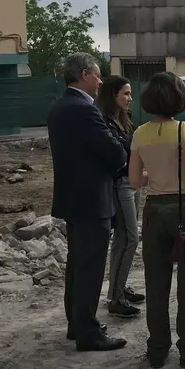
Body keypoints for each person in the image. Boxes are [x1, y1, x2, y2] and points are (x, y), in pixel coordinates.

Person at [128, 72, 185, 369]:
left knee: (156, 281)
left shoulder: (139, 134)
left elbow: (135, 180)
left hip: (154, 211)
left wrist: (158, 174)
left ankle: (157, 349)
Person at [47, 53, 128, 352]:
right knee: (91, 267)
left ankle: (76, 323)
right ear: (84, 75)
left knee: (77, 265)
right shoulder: (85, 110)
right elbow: (115, 154)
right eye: (96, 75)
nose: (100, 80)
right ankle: (88, 332)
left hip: (72, 198)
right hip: (92, 200)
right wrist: (120, 145)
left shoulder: (59, 108)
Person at [96, 76, 144, 319]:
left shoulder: (122, 120)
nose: (129, 98)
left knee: (124, 239)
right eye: (125, 93)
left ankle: (118, 288)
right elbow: (117, 155)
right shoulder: (104, 122)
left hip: (132, 182)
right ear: (112, 95)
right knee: (130, 239)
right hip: (120, 184)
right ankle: (116, 297)